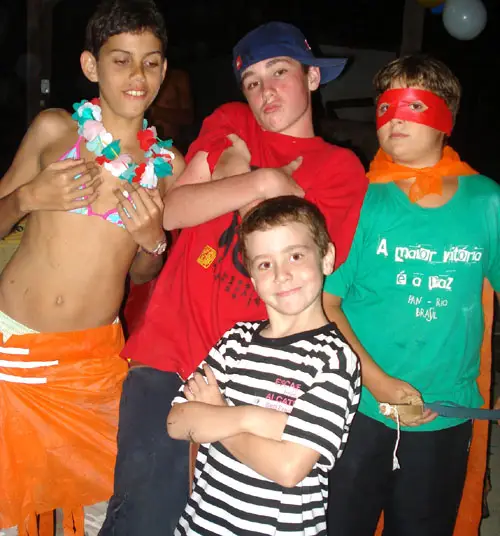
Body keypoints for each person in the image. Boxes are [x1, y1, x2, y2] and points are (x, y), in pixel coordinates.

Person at [99, 21, 367, 536]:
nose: (266, 91)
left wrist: (234, 179)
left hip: (259, 373)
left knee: (237, 519)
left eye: (280, 72)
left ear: (312, 78)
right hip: (170, 350)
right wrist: (264, 181)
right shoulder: (231, 120)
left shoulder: (340, 170)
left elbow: (303, 261)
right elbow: (175, 211)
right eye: (252, 82)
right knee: (141, 516)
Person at [0, 0, 184, 534]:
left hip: (91, 364)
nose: (137, 76)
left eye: (151, 62)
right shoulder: (54, 131)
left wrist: (153, 242)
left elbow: (144, 274)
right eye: (121, 60)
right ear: (91, 65)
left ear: (163, 71)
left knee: (103, 497)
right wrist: (29, 197)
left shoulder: (168, 167)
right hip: (12, 349)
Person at [323, 55, 500, 536]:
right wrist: (377, 381)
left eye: (414, 105)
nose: (394, 118)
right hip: (358, 408)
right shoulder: (361, 198)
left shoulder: (486, 201)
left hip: (443, 414)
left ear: (447, 117)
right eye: (385, 107)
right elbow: (326, 302)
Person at [167, 195, 360, 536]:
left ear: (327, 258)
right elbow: (177, 422)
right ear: (253, 279)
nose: (282, 275)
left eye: (295, 256)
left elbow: (288, 468)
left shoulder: (334, 359)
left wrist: (221, 413)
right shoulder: (235, 340)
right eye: (265, 264)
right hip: (201, 526)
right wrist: (257, 420)